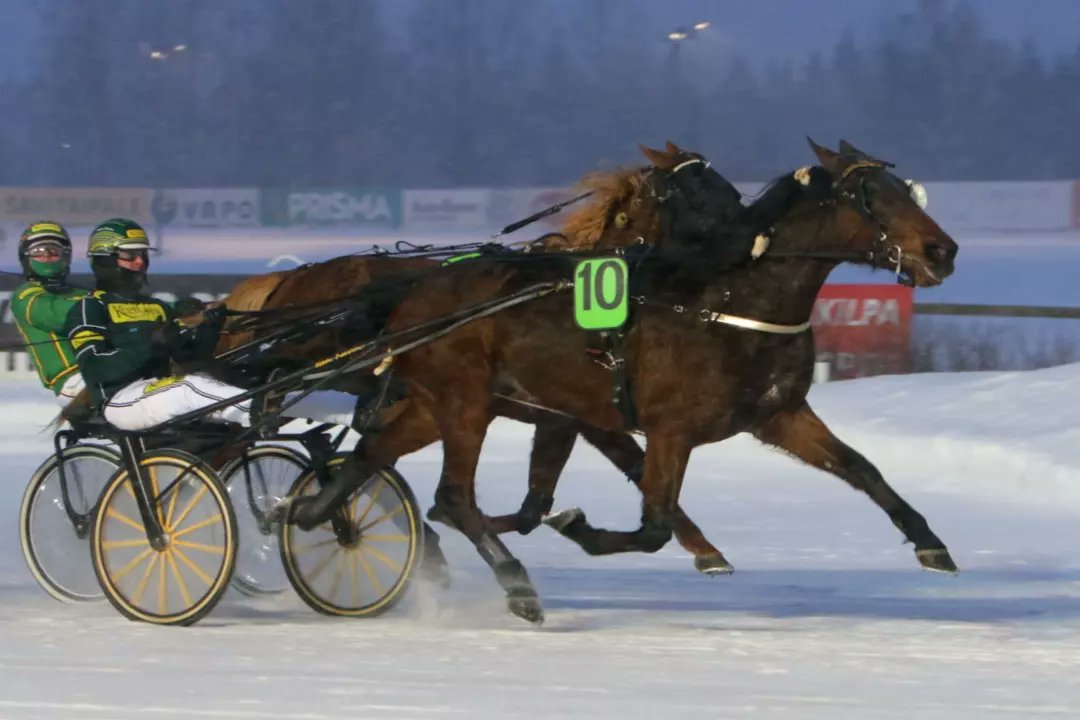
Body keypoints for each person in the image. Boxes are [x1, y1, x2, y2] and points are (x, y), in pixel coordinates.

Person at [64, 217, 358, 431]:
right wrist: (148, 345)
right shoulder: (89, 308)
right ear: (105, 258)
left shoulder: (157, 307)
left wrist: (209, 329)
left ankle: (354, 411)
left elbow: (190, 357)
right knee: (190, 387)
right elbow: (96, 369)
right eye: (130, 255)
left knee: (262, 385)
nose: (140, 262)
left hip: (162, 391)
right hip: (120, 401)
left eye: (142, 254)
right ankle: (256, 410)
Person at [10, 221, 89, 406]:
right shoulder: (25, 295)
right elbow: (57, 315)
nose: (46, 257)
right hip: (72, 381)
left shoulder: (84, 292)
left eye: (53, 251)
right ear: (25, 257)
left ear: (66, 255)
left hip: (110, 368)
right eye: (38, 251)